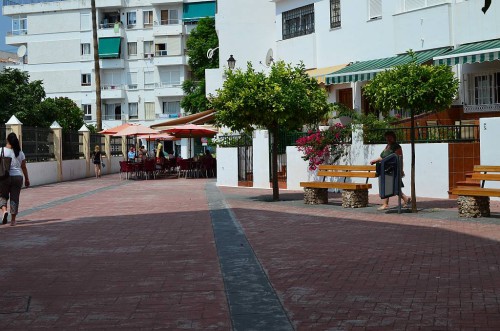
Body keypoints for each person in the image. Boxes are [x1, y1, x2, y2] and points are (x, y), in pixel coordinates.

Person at [370, 131, 411, 210]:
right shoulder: (387, 146)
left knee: (390, 186)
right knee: (391, 186)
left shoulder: (396, 146)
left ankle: (386, 204)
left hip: (392, 169)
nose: (388, 138)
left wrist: (401, 170)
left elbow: (400, 158)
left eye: (390, 137)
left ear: (393, 137)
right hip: (385, 169)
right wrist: (375, 160)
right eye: (387, 137)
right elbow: (383, 157)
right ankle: (406, 199)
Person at [0, 132, 30, 226]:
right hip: (18, 177)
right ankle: (13, 220)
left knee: (2, 195)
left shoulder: (1, 150)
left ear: (7, 140)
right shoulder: (20, 152)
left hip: (5, 176)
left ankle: (4, 211)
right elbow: (24, 167)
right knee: (15, 198)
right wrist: (27, 179)